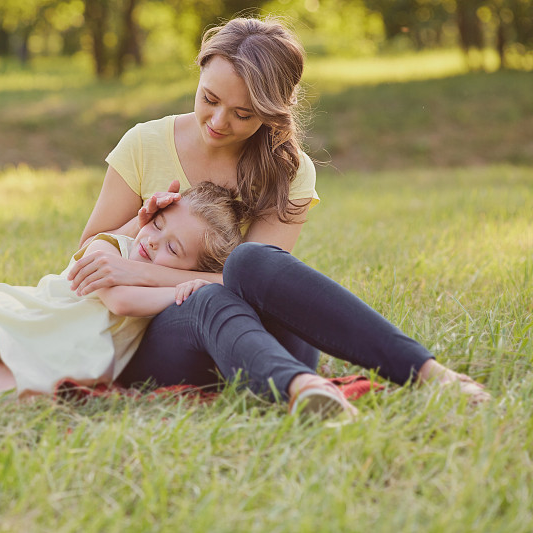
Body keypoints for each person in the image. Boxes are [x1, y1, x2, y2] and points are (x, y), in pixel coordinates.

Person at [61, 16, 489, 417]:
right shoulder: (144, 143)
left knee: (250, 262)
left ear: (272, 111)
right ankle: (301, 390)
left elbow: (250, 285)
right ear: (200, 72)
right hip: (162, 342)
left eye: (243, 114)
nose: (218, 121)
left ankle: (429, 373)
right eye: (209, 98)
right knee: (206, 297)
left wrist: (144, 274)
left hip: (264, 341)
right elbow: (87, 260)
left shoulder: (289, 169)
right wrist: (135, 229)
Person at [0, 183, 245, 408]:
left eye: (173, 250)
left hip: (72, 354)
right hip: (37, 316)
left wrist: (198, 282)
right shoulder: (109, 247)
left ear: (192, 266)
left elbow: (231, 283)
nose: (153, 243)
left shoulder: (162, 283)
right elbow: (120, 301)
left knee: (2, 387)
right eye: (157, 225)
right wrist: (180, 287)